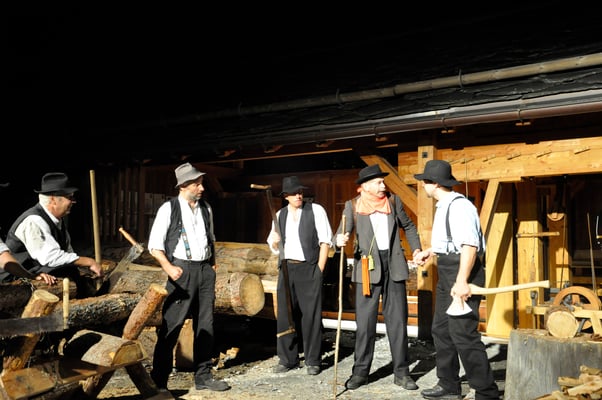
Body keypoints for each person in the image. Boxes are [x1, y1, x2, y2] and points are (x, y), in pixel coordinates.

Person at [413, 160, 499, 400]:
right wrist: (431, 251)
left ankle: (486, 392)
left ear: (434, 183)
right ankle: (449, 384)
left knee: (464, 333)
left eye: (424, 182)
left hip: (463, 272)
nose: (423, 186)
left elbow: (470, 246)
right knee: (441, 330)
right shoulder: (444, 205)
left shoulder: (460, 206)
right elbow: (452, 243)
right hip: (448, 270)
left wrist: (461, 282)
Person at [334, 164, 421, 391]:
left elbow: (409, 226)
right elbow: (340, 233)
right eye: (378, 182)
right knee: (365, 324)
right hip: (367, 269)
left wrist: (417, 249)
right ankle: (360, 373)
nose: (383, 186)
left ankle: (402, 373)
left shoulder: (393, 201)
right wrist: (338, 240)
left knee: (398, 322)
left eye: (383, 182)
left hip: (394, 266)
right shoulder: (353, 206)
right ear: (365, 186)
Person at [147, 162, 230, 392]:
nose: (202, 188)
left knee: (206, 325)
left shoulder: (206, 208)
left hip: (204, 270)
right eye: (197, 184)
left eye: (201, 183)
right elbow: (154, 246)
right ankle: (159, 381)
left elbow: (211, 238)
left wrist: (212, 265)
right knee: (171, 326)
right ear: (183, 186)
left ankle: (203, 376)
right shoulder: (169, 209)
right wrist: (169, 268)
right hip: (181, 271)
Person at [266, 176, 333, 376]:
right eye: (294, 193)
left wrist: (319, 270)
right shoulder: (280, 215)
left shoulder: (316, 210)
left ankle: (313, 360)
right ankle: (288, 359)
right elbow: (273, 245)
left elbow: (325, 241)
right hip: (287, 269)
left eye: (300, 192)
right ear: (285, 196)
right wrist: (275, 241)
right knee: (286, 315)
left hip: (309, 268)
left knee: (311, 315)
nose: (298, 196)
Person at [1, 173, 102, 296]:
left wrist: (83, 267)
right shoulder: (34, 220)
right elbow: (50, 257)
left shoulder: (58, 221)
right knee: (62, 270)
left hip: (36, 270)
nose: (73, 202)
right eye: (69, 198)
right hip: (15, 278)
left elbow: (68, 253)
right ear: (53, 200)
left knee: (71, 270)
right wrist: (89, 261)